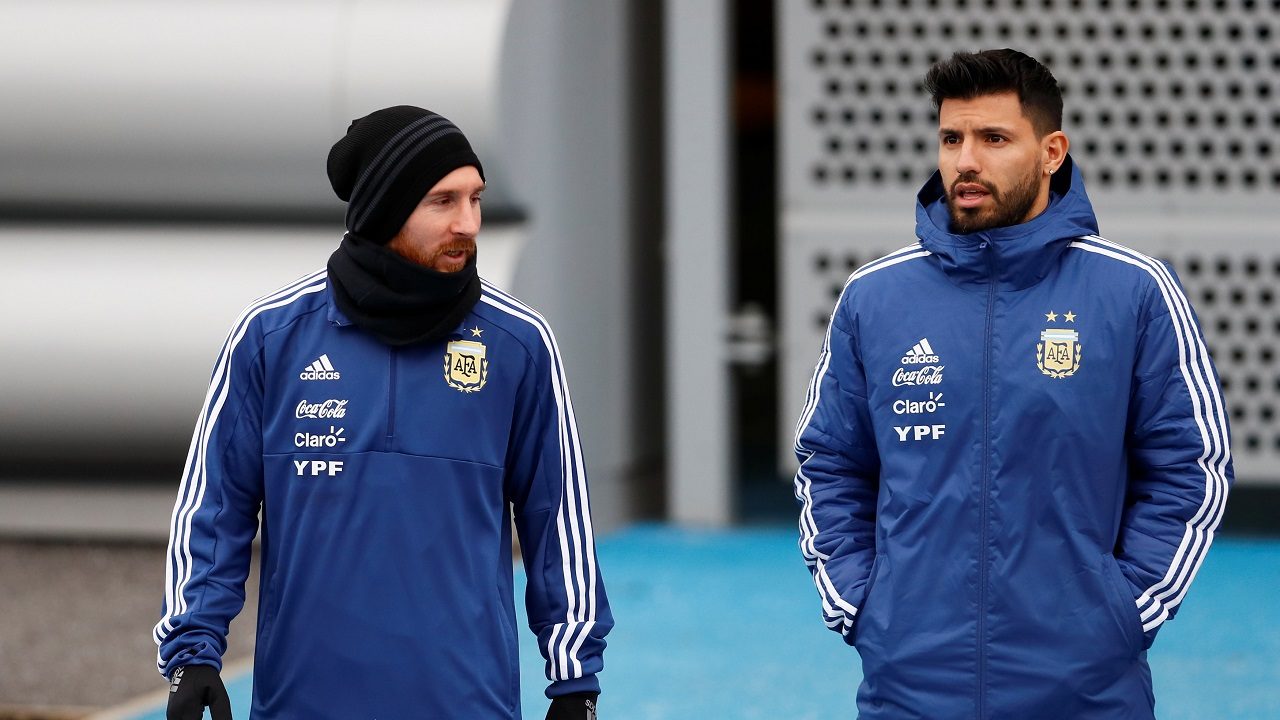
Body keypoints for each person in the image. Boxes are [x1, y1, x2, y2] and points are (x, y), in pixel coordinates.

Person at [793, 49, 1231, 718]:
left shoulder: (1134, 292)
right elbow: (830, 463)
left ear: (1052, 152)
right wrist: (863, 607)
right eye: (951, 139)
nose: (965, 161)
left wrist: (1123, 611)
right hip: (911, 686)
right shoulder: (874, 297)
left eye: (994, 139)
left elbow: (1191, 465)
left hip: (1084, 690)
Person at [154, 106, 612, 719]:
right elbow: (213, 509)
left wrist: (575, 681)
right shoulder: (271, 338)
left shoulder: (519, 344)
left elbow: (558, 520)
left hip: (466, 704)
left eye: (475, 198)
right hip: (303, 703)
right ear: (383, 208)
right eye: (443, 201)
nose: (469, 223)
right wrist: (194, 653)